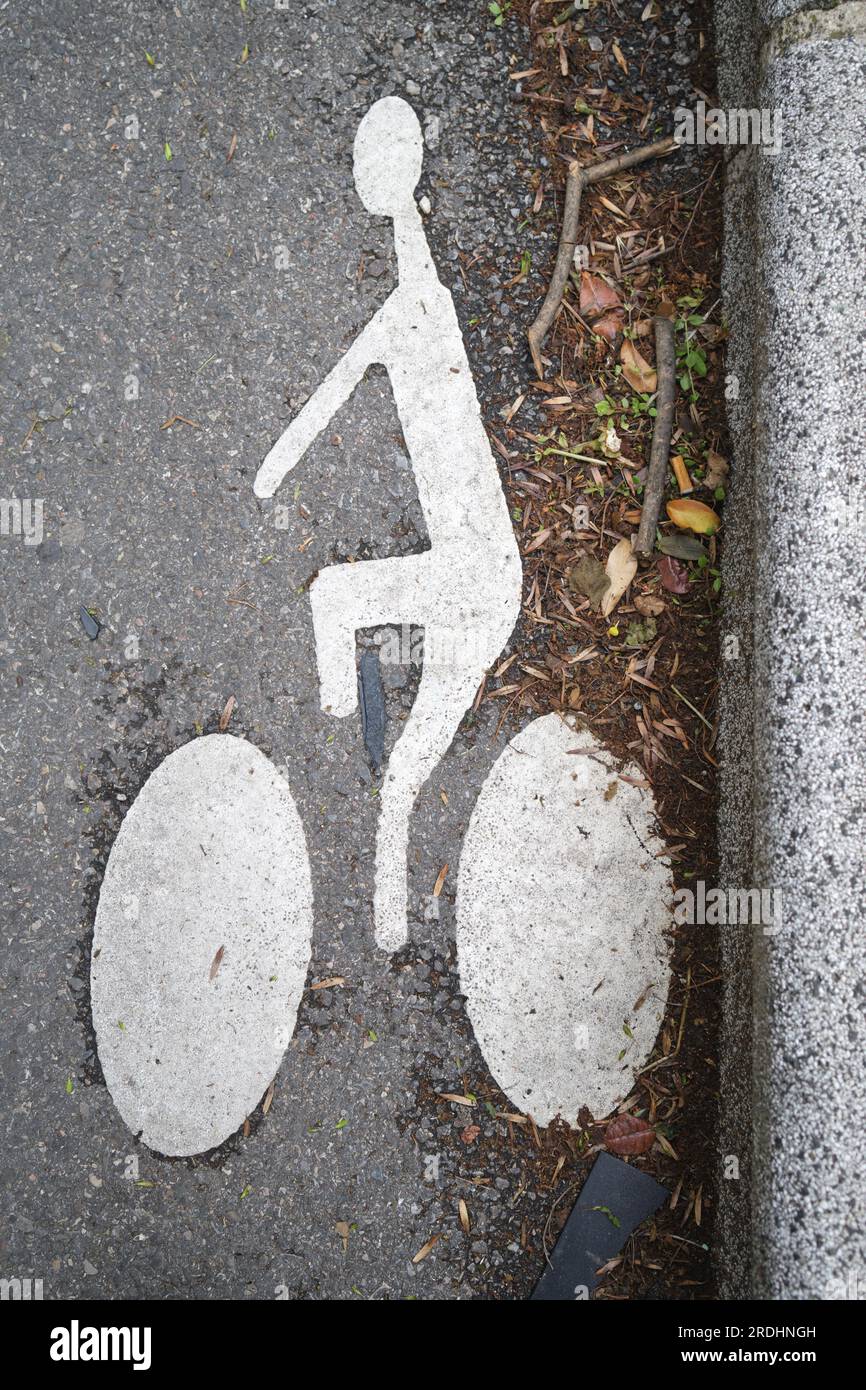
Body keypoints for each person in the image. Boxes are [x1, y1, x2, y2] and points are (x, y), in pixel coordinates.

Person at [254, 97, 522, 951]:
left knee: (335, 596)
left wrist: (273, 472)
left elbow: (326, 400)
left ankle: (336, 710)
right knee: (405, 772)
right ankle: (391, 914)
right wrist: (274, 466)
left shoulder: (415, 309)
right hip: (494, 582)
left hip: (478, 570)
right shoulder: (413, 310)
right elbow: (329, 396)